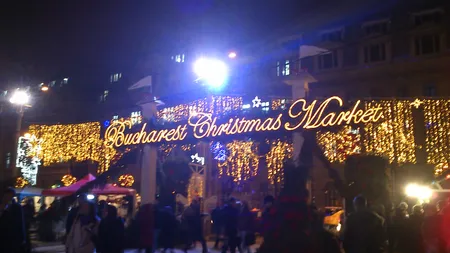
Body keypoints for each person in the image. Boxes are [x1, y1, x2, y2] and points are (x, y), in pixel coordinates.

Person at [0, 188, 26, 253]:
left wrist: (22, 238)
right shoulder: (2, 205)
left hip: (12, 236)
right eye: (7, 195)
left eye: (10, 196)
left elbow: (20, 222)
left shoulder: (17, 207)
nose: (8, 197)